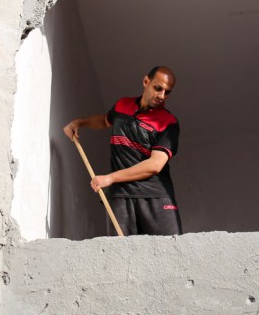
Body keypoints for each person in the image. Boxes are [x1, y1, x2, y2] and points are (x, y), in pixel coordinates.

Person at [63, 66, 182, 236]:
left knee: (171, 252)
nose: (162, 96)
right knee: (121, 256)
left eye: (167, 92)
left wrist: (110, 178)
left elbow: (155, 165)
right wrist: (79, 122)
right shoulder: (122, 105)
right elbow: (105, 121)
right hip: (120, 197)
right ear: (146, 81)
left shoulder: (168, 122)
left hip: (155, 196)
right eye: (158, 88)